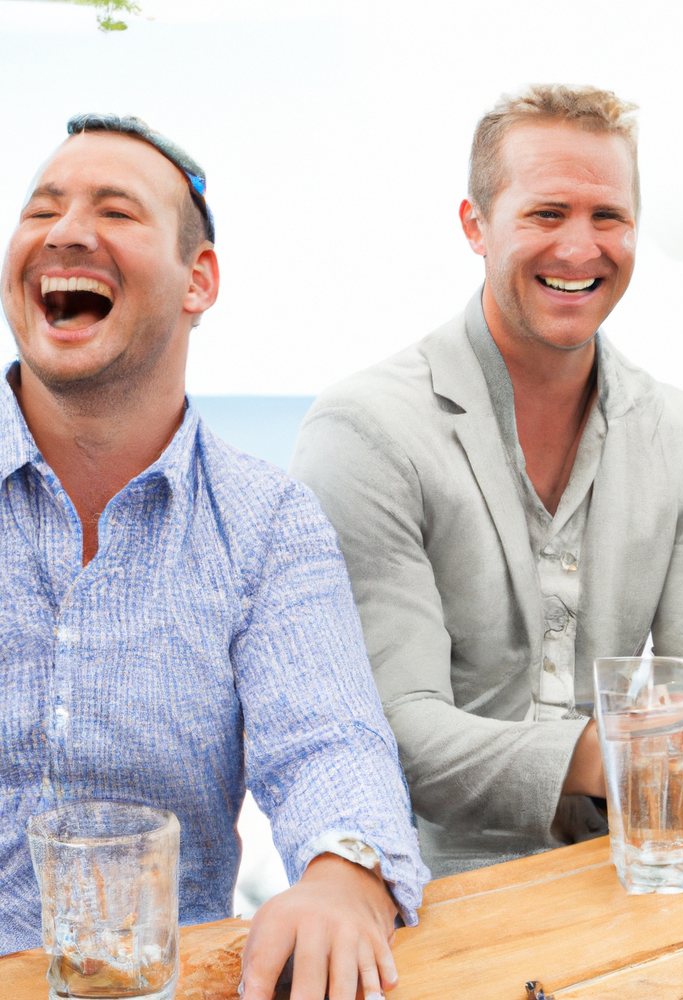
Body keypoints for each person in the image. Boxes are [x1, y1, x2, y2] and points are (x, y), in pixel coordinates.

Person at [290, 85, 683, 878]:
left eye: (609, 218)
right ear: (475, 225)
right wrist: (613, 755)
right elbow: (392, 725)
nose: (580, 247)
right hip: (422, 894)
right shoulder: (365, 429)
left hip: (629, 872)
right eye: (546, 213)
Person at [0, 114, 428, 1000]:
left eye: (115, 212)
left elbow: (330, 745)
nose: (66, 231)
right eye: (42, 210)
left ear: (201, 281)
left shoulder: (269, 523)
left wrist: (342, 879)